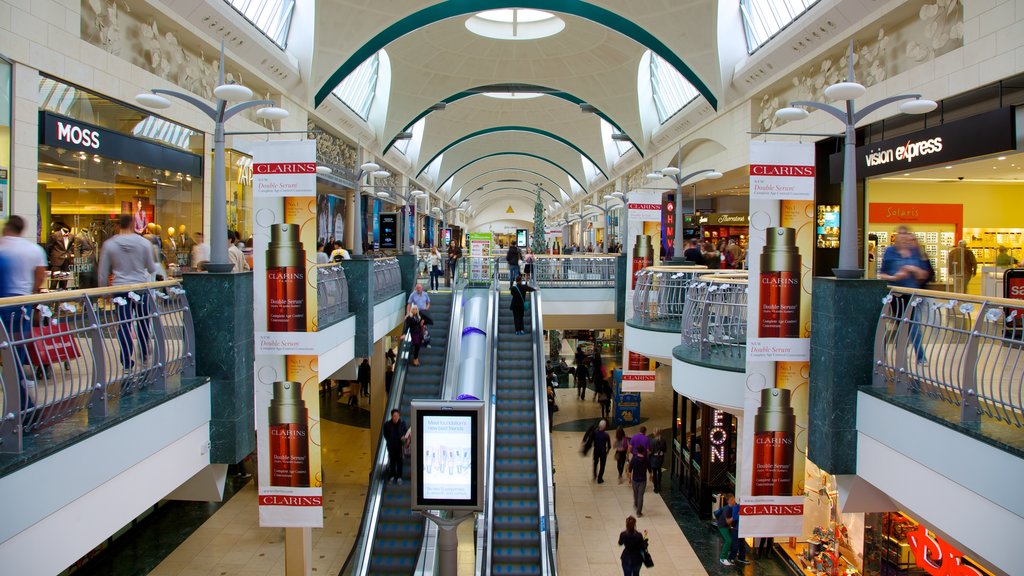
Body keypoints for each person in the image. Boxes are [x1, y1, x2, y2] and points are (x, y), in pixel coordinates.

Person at [98, 213, 158, 370]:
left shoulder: (110, 244)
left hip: (120, 289)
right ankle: (144, 353)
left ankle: (126, 360)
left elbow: (103, 272)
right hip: (140, 288)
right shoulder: (144, 243)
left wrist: (104, 292)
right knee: (143, 322)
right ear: (133, 225)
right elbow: (152, 267)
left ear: (118, 225)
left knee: (124, 324)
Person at [0, 216, 47, 398]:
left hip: (4, 301)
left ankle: (14, 376)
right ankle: (16, 376)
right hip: (21, 303)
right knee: (17, 342)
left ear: (7, 228)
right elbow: (40, 276)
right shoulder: (33, 250)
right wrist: (32, 292)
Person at [879, 228, 932, 364]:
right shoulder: (890, 252)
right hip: (895, 294)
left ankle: (920, 356)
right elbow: (882, 274)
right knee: (900, 324)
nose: (903, 237)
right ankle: (896, 351)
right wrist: (895, 276)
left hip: (912, 294)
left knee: (912, 325)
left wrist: (914, 269)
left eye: (905, 234)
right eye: (900, 234)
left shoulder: (915, 252)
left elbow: (924, 274)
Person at [382, 409, 410, 484]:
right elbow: (385, 435)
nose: (396, 417)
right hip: (391, 446)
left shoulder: (402, 423)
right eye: (394, 416)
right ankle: (392, 476)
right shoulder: (387, 424)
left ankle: (399, 477)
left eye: (397, 416)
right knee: (392, 462)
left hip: (400, 446)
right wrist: (390, 441)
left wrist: (403, 437)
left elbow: (405, 432)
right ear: (392, 416)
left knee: (399, 462)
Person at [728, 497, 750, 565]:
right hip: (736, 529)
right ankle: (731, 558)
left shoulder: (746, 508)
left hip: (742, 529)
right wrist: (740, 513)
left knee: (742, 545)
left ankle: (741, 558)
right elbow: (734, 517)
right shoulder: (736, 507)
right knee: (735, 545)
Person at [715, 494, 736, 566]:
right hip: (722, 526)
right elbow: (728, 521)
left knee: (731, 539)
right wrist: (735, 516)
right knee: (728, 540)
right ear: (728, 501)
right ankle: (722, 558)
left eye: (734, 499)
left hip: (727, 526)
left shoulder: (733, 507)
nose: (734, 501)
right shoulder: (727, 509)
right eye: (731, 500)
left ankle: (729, 552)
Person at [628, 445, 649, 517]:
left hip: (635, 479)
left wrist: (629, 478)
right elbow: (649, 468)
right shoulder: (646, 459)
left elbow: (630, 469)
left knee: (635, 493)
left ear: (637, 451)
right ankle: (639, 512)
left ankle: (636, 504)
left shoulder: (634, 459)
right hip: (643, 480)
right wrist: (651, 475)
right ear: (643, 451)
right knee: (641, 496)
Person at [592, 419, 611, 483]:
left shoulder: (595, 432)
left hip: (596, 450)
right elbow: (609, 445)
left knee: (595, 463)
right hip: (603, 452)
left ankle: (594, 474)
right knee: (602, 465)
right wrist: (607, 451)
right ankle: (600, 479)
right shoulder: (606, 435)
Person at [648, 428, 665, 494]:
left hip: (654, 459)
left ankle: (655, 487)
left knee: (654, 473)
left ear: (655, 433)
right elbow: (665, 449)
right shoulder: (663, 440)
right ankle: (659, 485)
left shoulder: (652, 441)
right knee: (659, 471)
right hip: (660, 458)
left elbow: (650, 451)